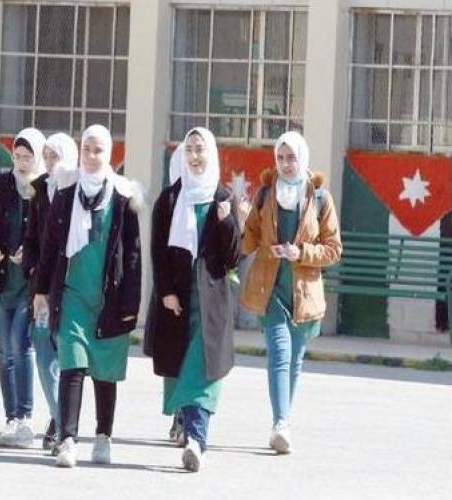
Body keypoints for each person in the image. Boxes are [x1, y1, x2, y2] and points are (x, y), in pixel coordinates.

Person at [33, 124, 143, 468]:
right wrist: (41, 291)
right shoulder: (67, 194)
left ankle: (103, 436)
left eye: (98, 151)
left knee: (105, 370)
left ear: (109, 154)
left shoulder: (123, 198)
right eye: (87, 150)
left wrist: (131, 305)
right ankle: (67, 438)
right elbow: (50, 245)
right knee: (72, 364)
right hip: (73, 296)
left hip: (109, 298)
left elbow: (133, 255)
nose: (92, 157)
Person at [240, 131, 342, 454]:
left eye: (291, 157)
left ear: (302, 158)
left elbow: (333, 249)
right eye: (280, 158)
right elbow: (248, 243)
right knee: (279, 354)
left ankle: (283, 419)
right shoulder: (265, 194)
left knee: (295, 359)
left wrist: (302, 253)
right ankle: (280, 423)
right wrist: (242, 219)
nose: (285, 164)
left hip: (303, 293)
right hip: (270, 289)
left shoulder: (320, 198)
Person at [146, 127, 241, 471]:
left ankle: (197, 441)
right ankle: (189, 429)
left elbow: (233, 257)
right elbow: (158, 251)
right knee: (181, 362)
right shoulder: (171, 198)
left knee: (203, 366)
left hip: (212, 302)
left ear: (211, 154)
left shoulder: (222, 197)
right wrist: (166, 292)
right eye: (190, 150)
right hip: (179, 299)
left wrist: (226, 221)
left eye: (200, 150)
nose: (195, 156)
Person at [0, 127, 45, 448]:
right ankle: (11, 418)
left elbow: (50, 231)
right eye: (17, 156)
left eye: (28, 157)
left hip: (29, 283)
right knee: (4, 351)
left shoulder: (45, 187)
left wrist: (31, 253)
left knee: (21, 345)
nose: (22, 163)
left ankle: (25, 416)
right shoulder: (1, 182)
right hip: (1, 279)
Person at [22, 132, 79, 452]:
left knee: (67, 355)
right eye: (46, 156)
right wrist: (32, 269)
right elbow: (31, 237)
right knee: (43, 352)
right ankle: (60, 419)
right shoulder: (40, 188)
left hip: (71, 285)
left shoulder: (81, 188)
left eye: (54, 156)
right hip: (44, 287)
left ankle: (63, 424)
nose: (49, 163)